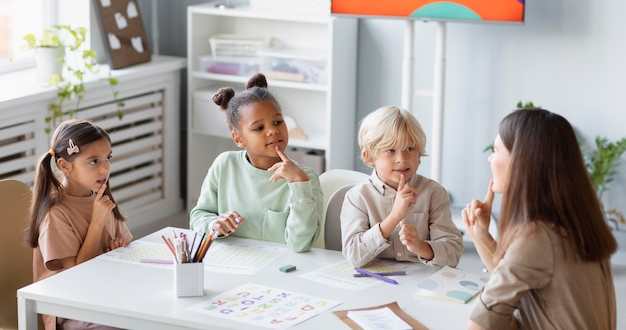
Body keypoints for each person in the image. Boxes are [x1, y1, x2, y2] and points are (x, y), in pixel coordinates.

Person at [463, 108, 617, 330]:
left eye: (496, 150)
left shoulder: (538, 237)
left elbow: (482, 322)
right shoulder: (574, 224)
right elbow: (513, 276)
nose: (490, 159)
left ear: (520, 162)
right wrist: (480, 235)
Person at [189, 73, 323, 253]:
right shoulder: (224, 165)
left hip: (280, 270)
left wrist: (300, 186)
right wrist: (214, 224)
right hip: (231, 263)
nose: (273, 131)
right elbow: (198, 216)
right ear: (238, 139)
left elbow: (300, 244)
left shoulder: (305, 179)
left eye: (277, 122)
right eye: (259, 128)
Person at [26, 119, 132, 330]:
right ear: (65, 166)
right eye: (93, 161)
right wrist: (97, 223)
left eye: (107, 158)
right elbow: (76, 277)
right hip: (70, 310)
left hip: (104, 295)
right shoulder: (55, 214)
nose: (105, 169)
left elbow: (127, 246)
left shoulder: (101, 200)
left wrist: (118, 249)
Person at [341, 105, 463, 267]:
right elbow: (353, 255)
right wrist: (394, 217)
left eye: (409, 149)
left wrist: (420, 246)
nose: (402, 159)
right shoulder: (357, 197)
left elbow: (453, 253)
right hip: (373, 282)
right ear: (369, 157)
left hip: (420, 282)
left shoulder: (434, 193)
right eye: (390, 150)